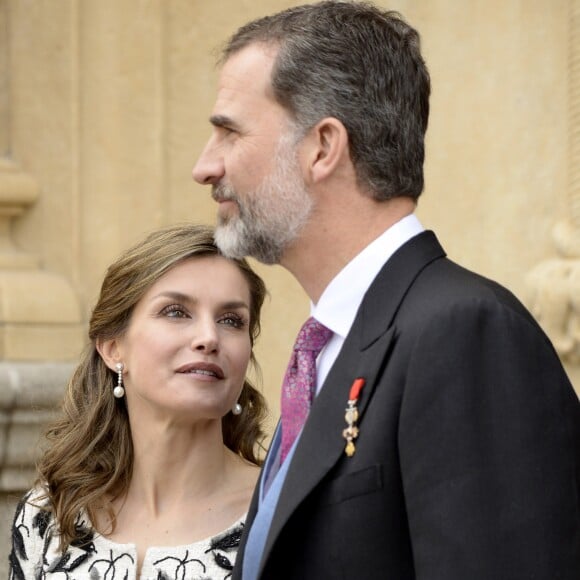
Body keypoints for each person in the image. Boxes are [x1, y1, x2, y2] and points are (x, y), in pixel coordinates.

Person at [192, 2, 580, 579]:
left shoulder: (463, 331)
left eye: (228, 132)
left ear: (323, 147)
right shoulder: (329, 347)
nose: (205, 166)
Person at [9, 223, 268, 580]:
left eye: (231, 320)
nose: (209, 337)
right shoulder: (50, 516)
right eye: (176, 312)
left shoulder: (279, 514)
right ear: (114, 349)